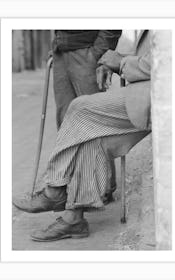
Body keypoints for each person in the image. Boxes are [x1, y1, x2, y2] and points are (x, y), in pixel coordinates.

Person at [13, 30, 151, 242]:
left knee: (80, 110)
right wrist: (59, 44)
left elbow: (164, 65)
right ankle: (74, 219)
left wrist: (117, 60)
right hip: (66, 51)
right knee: (87, 136)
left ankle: (56, 189)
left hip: (148, 93)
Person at [52, 30, 122, 203]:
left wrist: (99, 52)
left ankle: (102, 187)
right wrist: (58, 43)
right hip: (61, 52)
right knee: (66, 123)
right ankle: (75, 189)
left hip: (87, 53)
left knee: (93, 122)